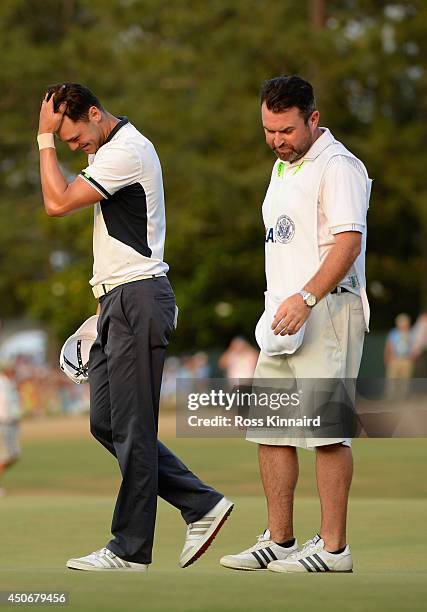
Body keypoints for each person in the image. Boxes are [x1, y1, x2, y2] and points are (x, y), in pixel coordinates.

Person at [37, 82, 233, 572]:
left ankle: (130, 549)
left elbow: (57, 202)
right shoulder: (111, 150)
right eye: (62, 142)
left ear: (96, 114)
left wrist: (42, 139)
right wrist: (100, 311)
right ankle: (200, 503)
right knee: (106, 423)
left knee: (133, 429)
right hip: (117, 302)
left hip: (138, 298)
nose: (72, 146)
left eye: (73, 135)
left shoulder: (127, 150)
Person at [220, 75, 371, 574]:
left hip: (325, 309)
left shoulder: (338, 166)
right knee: (272, 429)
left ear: (313, 119)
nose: (276, 140)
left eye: (285, 130)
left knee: (326, 432)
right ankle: (281, 541)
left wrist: (306, 298)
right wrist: (284, 306)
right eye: (268, 130)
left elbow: (347, 244)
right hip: (281, 317)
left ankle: (333, 550)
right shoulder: (283, 167)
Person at [0, 364, 21, 497]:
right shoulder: (1, 384)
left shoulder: (10, 384)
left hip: (12, 423)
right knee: (5, 456)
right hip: (2, 423)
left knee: (14, 455)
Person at [384, 313, 414, 399]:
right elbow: (388, 346)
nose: (403, 325)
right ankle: (391, 397)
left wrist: (411, 356)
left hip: (406, 359)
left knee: (405, 380)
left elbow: (414, 346)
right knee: (392, 379)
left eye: (404, 323)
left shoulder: (411, 333)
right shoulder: (393, 333)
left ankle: (402, 397)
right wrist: (387, 357)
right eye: (401, 323)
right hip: (394, 359)